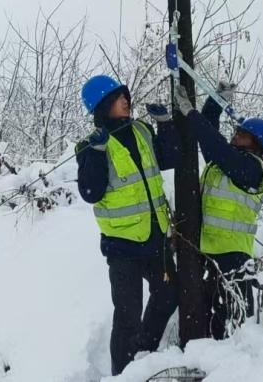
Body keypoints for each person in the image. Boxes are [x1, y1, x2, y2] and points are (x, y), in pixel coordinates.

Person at [74, 73, 181, 374]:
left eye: (125, 95)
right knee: (127, 317)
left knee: (169, 295)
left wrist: (166, 124)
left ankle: (143, 354)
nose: (126, 100)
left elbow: (169, 158)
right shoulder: (90, 146)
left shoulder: (143, 130)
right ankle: (122, 375)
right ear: (103, 105)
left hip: (156, 238)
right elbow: (91, 192)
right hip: (122, 248)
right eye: (118, 97)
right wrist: (95, 154)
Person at [167, 45, 263, 339]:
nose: (235, 135)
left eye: (242, 134)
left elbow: (214, 145)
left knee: (232, 316)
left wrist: (190, 114)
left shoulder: (250, 169)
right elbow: (211, 141)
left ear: (256, 144)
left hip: (233, 255)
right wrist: (215, 103)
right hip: (211, 250)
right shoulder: (225, 164)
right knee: (209, 313)